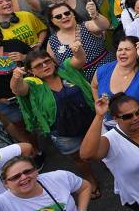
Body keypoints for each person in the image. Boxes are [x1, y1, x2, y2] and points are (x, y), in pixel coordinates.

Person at [10, 49, 100, 196]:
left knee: (101, 147)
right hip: (63, 131)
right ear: (31, 71)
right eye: (38, 65)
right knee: (79, 158)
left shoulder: (67, 69)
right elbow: (18, 89)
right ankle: (89, 178)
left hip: (90, 120)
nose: (45, 66)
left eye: (47, 61)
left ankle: (111, 166)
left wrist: (78, 50)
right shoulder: (31, 85)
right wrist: (16, 78)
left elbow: (79, 59)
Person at [93, 37, 139, 117]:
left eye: (127, 49)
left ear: (137, 53)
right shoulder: (103, 70)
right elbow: (94, 86)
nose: (122, 53)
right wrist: (100, 105)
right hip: (113, 125)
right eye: (119, 50)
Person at [45, 2, 112, 83]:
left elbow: (105, 25)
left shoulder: (86, 26)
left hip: (107, 71)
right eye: (58, 16)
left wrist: (95, 14)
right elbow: (55, 65)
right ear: (53, 21)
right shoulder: (52, 41)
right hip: (81, 82)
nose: (64, 17)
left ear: (73, 14)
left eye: (67, 13)